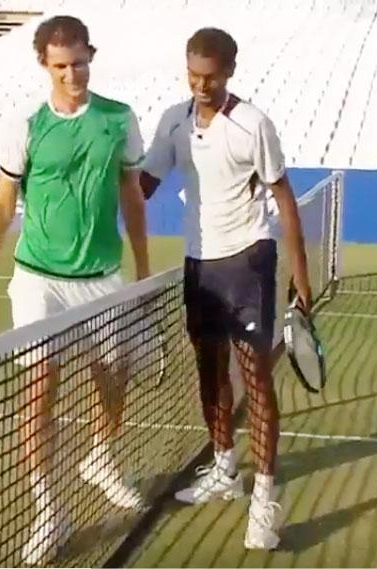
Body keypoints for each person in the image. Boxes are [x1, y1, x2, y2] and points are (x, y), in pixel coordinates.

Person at [0, 15, 149, 564]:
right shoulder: (23, 123)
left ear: (92, 55)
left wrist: (142, 275)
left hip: (103, 278)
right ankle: (50, 509)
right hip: (38, 279)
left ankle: (101, 458)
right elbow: (2, 205)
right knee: (38, 390)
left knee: (114, 382)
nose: (73, 73)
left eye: (80, 63)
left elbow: (132, 195)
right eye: (61, 65)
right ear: (44, 64)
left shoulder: (119, 119)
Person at [140, 28, 312, 550]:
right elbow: (143, 185)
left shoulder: (253, 124)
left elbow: (283, 197)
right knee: (210, 371)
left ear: (230, 71)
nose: (200, 85)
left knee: (255, 377)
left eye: (210, 76)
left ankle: (264, 499)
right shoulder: (173, 120)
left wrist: (300, 280)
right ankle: (223, 468)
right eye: (193, 75)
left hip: (249, 260)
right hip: (199, 265)